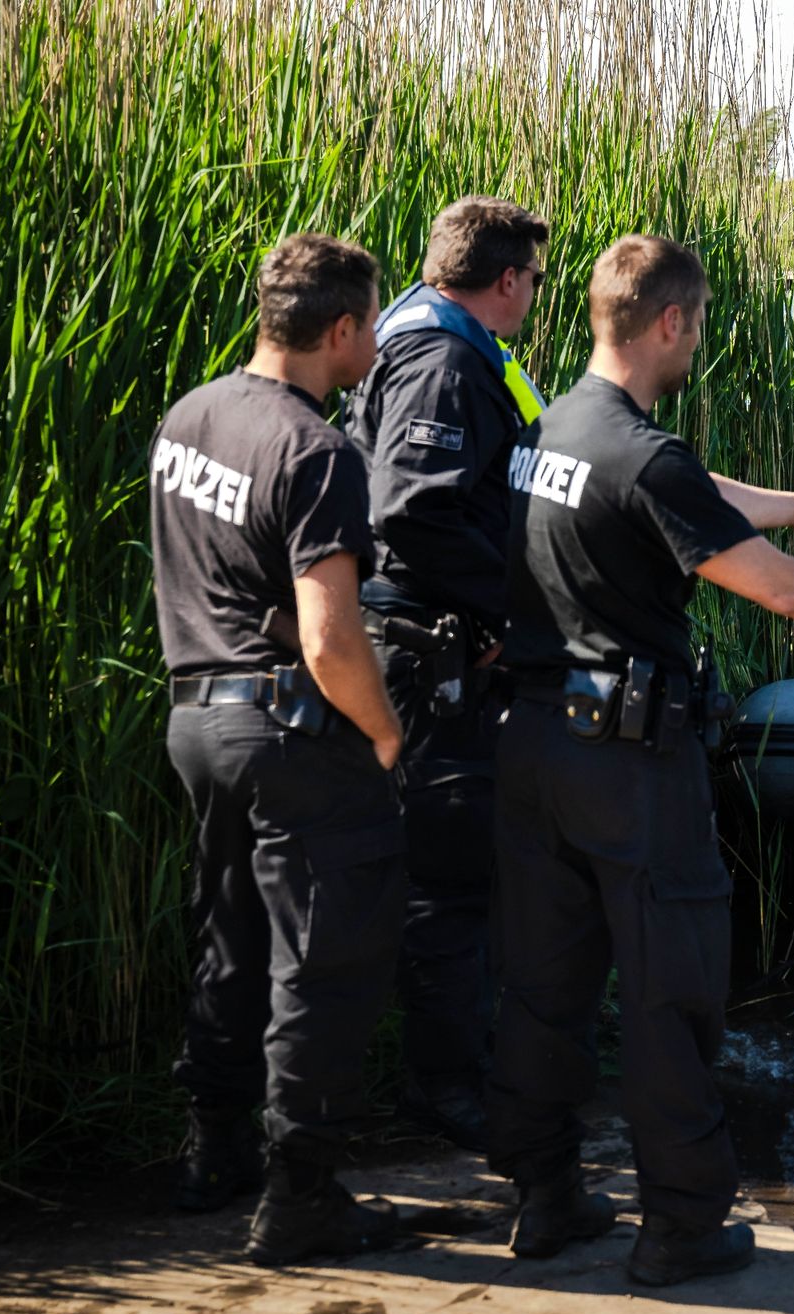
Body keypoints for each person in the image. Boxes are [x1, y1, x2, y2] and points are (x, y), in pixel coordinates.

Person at [485, 234, 794, 1285]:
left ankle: (544, 1201)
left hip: (533, 753)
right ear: (668, 322)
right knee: (671, 996)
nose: (697, 343)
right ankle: (679, 1227)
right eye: (698, 325)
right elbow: (787, 593)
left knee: (546, 990)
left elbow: (673, 491)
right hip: (630, 766)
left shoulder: (549, 431)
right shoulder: (642, 453)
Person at [151, 233, 408, 1265]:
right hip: (284, 729)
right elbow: (329, 637)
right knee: (320, 960)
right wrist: (385, 734)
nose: (378, 343)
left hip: (194, 719)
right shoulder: (318, 451)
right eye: (372, 326)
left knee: (231, 936)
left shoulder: (190, 415)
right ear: (340, 330)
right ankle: (300, 1196)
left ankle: (211, 1153)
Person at [343, 196, 551, 1151]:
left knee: (457, 872)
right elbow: (414, 511)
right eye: (533, 281)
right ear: (507, 279)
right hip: (433, 652)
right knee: (450, 879)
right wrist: (498, 612)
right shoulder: (441, 358)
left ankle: (465, 1063)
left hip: (439, 641)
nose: (533, 297)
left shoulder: (433, 338)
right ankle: (443, 1088)